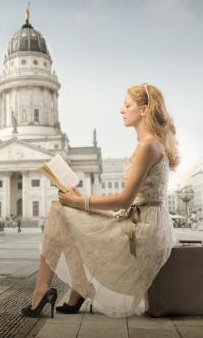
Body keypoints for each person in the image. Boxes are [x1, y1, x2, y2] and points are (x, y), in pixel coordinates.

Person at [21, 83, 179, 318]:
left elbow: (125, 199)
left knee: (58, 210)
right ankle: (76, 289)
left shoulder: (148, 146)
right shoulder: (151, 144)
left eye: (127, 105)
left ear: (144, 109)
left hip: (141, 229)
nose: (121, 110)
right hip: (139, 220)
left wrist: (79, 201)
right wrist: (77, 199)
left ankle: (48, 291)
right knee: (61, 214)